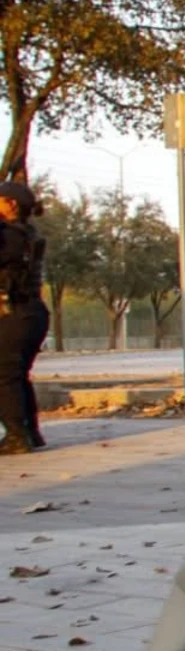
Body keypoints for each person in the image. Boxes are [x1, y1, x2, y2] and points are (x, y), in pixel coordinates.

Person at [0, 179, 47, 454]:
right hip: (31, 314)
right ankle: (30, 431)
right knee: (17, 375)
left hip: (17, 313)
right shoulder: (25, 233)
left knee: (5, 375)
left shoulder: (12, 237)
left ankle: (17, 436)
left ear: (11, 204)